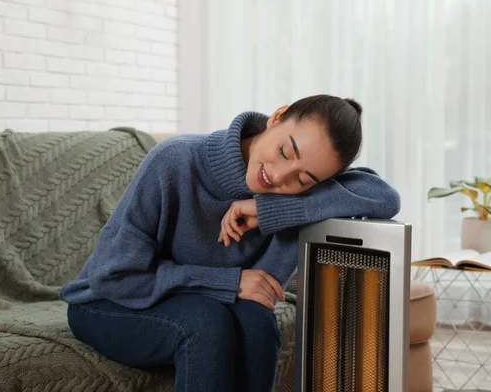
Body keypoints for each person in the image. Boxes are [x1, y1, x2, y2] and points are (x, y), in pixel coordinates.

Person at [60, 94, 401, 392]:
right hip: (107, 301)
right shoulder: (175, 160)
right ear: (277, 116)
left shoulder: (293, 196)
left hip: (200, 302)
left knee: (257, 323)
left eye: (303, 178)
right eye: (284, 150)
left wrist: (270, 208)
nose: (280, 176)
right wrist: (230, 282)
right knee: (205, 323)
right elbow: (113, 275)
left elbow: (383, 197)